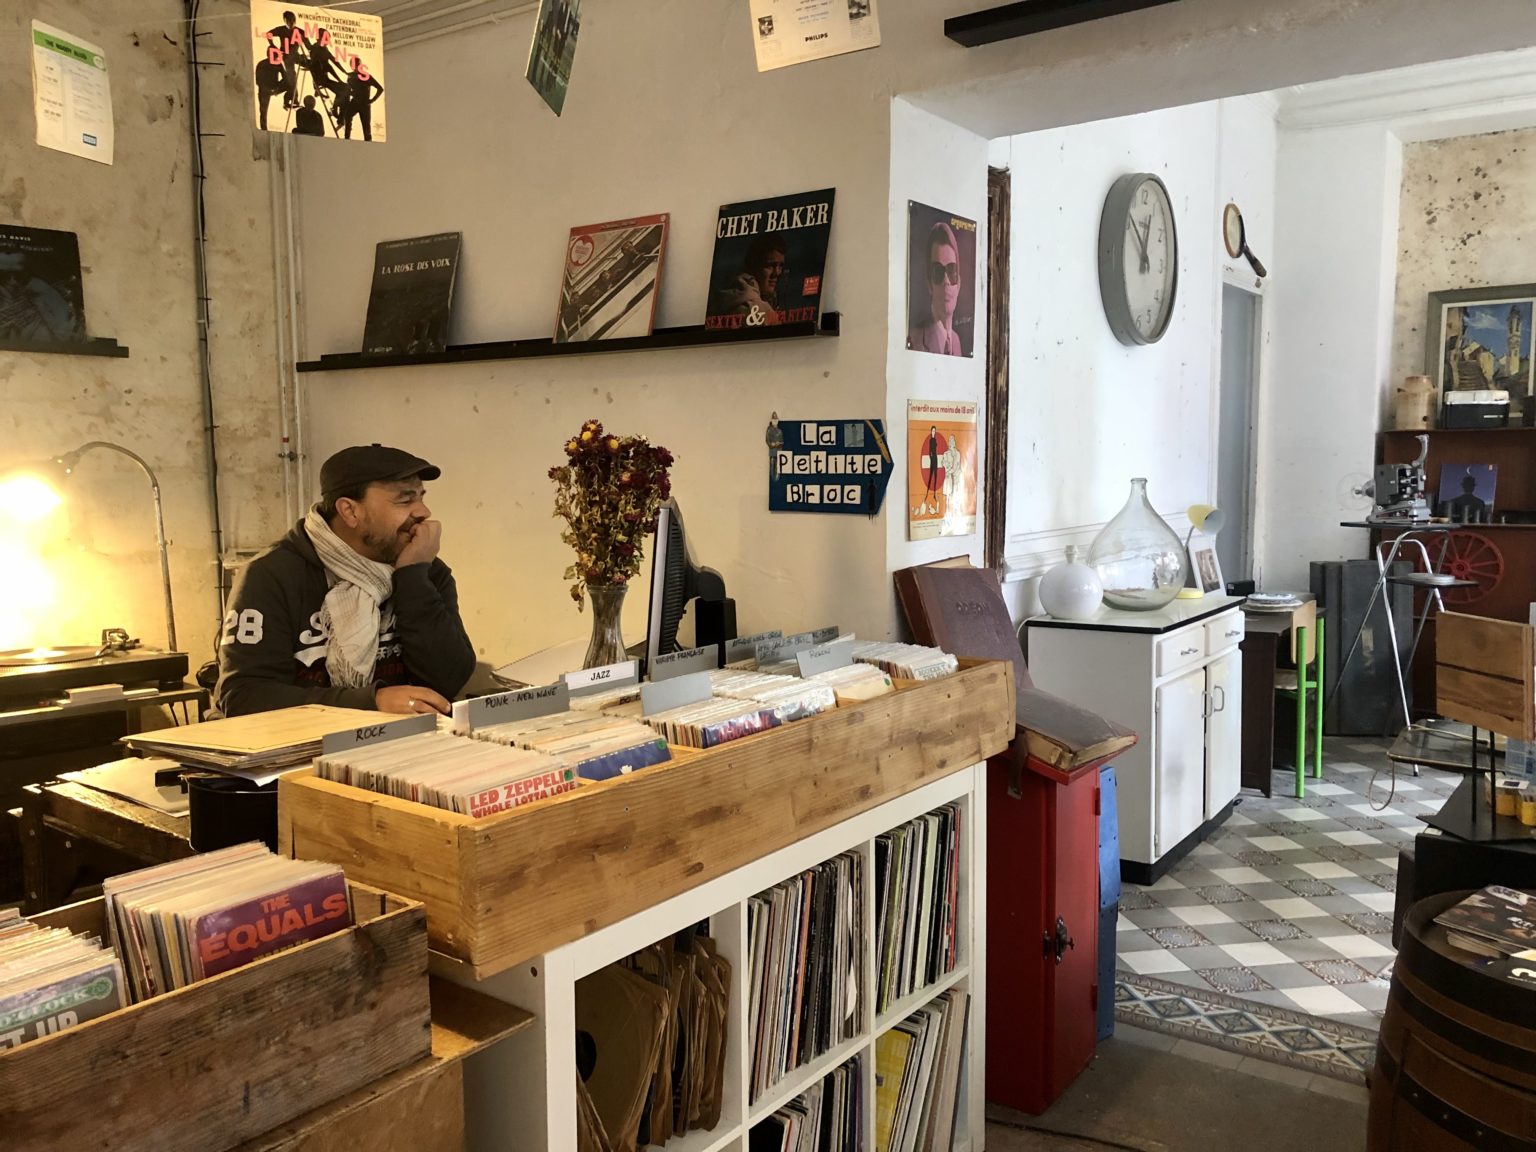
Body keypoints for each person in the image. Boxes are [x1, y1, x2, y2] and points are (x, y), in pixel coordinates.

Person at [214, 444, 475, 717]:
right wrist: (370, 702)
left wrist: (412, 578)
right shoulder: (271, 575)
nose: (423, 512)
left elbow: (449, 681)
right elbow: (244, 697)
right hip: (307, 742)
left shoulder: (424, 570)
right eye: (404, 500)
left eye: (421, 497)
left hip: (410, 739)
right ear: (350, 511)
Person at [908, 221, 964, 356]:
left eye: (951, 271)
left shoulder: (957, 342)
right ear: (929, 283)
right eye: (938, 271)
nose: (946, 281)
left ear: (959, 284)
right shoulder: (914, 340)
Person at [714, 233, 786, 325]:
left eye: (781, 266)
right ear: (753, 266)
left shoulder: (729, 298)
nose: (777, 273)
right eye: (770, 265)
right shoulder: (757, 311)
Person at [265, 10, 307, 111]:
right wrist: (272, 45)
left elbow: (308, 45)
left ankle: (280, 92)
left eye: (293, 21)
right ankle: (290, 101)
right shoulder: (281, 30)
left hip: (296, 55)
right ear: (285, 21)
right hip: (286, 57)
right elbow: (268, 34)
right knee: (292, 78)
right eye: (288, 21)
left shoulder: (300, 31)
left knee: (312, 65)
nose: (291, 23)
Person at [341, 62, 384, 141]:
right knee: (347, 116)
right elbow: (349, 90)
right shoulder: (350, 76)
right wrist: (349, 94)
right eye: (354, 65)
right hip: (354, 102)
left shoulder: (366, 76)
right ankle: (347, 139)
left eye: (357, 64)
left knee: (366, 127)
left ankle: (368, 143)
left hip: (364, 105)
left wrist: (372, 100)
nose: (355, 66)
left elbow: (380, 88)